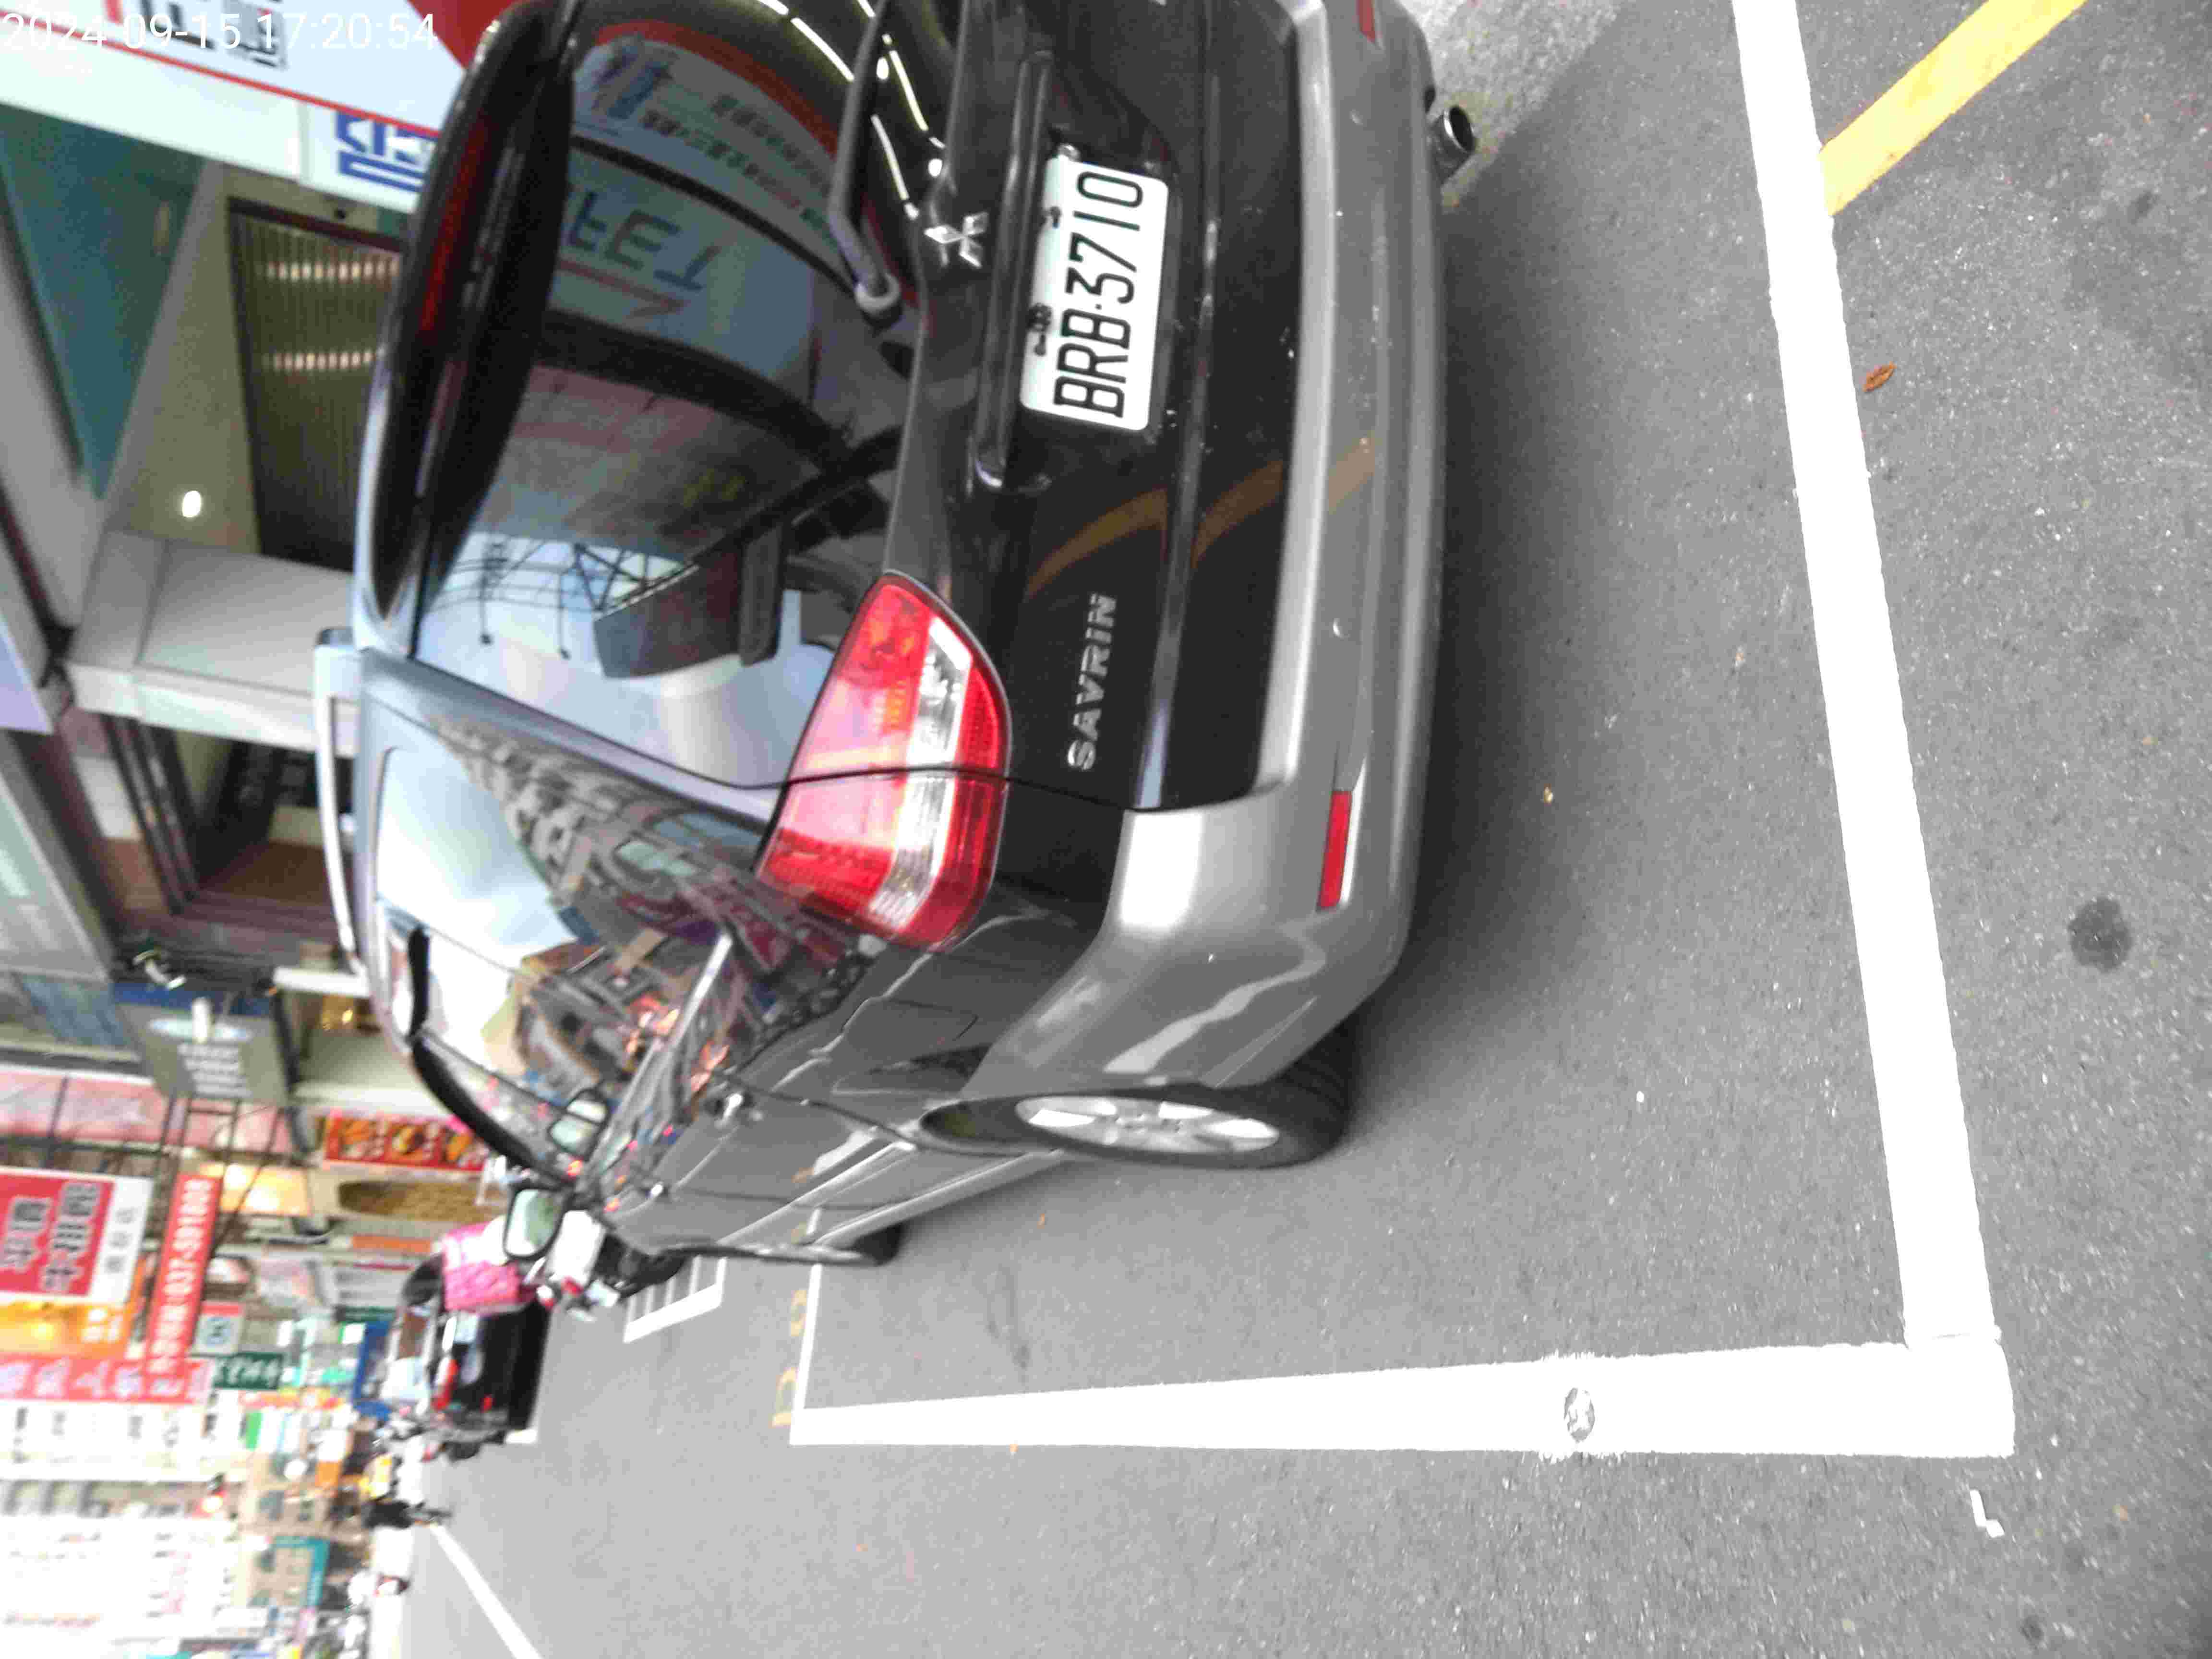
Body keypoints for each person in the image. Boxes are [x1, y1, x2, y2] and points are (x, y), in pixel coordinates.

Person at [360, 1495, 453, 1528]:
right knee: (414, 1513)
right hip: (395, 1509)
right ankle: (438, 1514)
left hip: (393, 1521)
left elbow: (373, 1527)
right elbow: (383, 1498)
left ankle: (435, 1523)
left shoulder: (366, 1521)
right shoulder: (368, 1503)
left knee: (415, 1521)